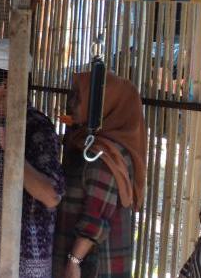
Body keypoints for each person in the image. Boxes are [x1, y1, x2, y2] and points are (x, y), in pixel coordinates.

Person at [0, 39, 64, 277]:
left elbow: (51, 195)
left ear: (6, 85)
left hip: (18, 266)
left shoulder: (36, 128)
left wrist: (13, 155)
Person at [53, 71, 146, 278]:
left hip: (92, 263)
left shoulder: (103, 156)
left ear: (102, 106)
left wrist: (74, 261)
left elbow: (96, 218)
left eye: (79, 99)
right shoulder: (92, 143)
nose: (72, 104)